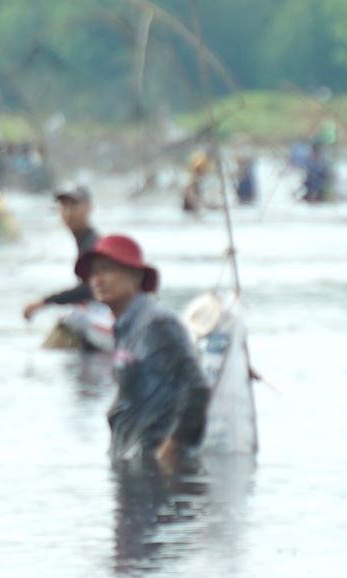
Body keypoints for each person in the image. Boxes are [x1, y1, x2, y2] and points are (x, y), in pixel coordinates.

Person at [78, 234, 210, 472]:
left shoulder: (157, 323)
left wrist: (170, 450)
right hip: (131, 460)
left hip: (156, 468)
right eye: (93, 272)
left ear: (136, 276)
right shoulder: (124, 326)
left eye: (108, 270)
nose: (98, 279)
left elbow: (197, 389)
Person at [23, 185, 100, 321]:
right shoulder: (85, 241)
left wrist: (44, 302)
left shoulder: (94, 245)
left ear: (89, 208)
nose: (68, 212)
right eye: (64, 206)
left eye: (74, 205)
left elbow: (90, 289)